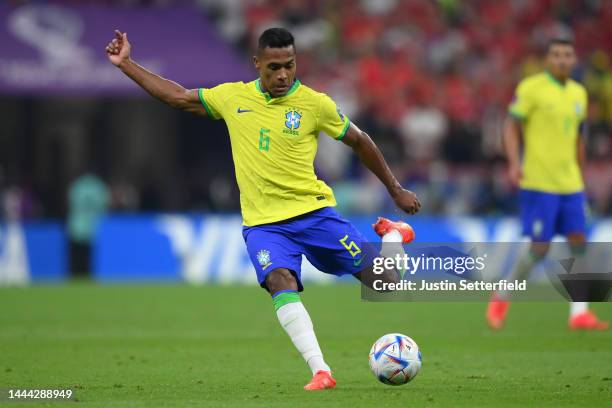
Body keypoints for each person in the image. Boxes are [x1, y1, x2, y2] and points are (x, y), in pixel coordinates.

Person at [106, 27, 420, 389]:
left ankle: (394, 235)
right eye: (274, 67)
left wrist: (395, 189)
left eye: (289, 65)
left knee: (386, 284)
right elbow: (178, 97)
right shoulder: (233, 98)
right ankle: (321, 371)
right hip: (264, 226)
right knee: (279, 281)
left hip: (315, 215)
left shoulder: (315, 104)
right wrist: (126, 64)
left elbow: (359, 141)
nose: (283, 74)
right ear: (257, 64)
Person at [487, 38, 608, 331]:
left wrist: (581, 175)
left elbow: (578, 137)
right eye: (556, 55)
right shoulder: (531, 88)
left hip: (571, 184)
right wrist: (515, 163)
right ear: (548, 59)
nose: (562, 60)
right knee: (539, 248)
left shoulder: (579, 93)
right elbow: (511, 126)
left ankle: (579, 313)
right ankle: (502, 295)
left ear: (574, 60)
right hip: (539, 182)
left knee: (578, 241)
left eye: (567, 55)